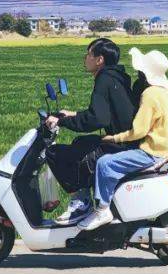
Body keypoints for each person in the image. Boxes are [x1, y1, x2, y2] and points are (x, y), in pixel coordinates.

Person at [79, 47, 168, 231]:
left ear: (145, 73)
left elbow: (139, 131)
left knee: (104, 164)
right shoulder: (167, 91)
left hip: (151, 152)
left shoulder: (150, 94)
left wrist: (114, 138)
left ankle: (102, 210)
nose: (137, 73)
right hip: (167, 149)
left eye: (140, 71)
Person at [45, 38, 137, 224]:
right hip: (126, 140)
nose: (85, 59)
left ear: (99, 60)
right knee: (80, 143)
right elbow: (105, 113)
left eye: (88, 54)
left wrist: (63, 122)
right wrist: (72, 114)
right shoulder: (118, 77)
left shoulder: (104, 79)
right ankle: (84, 198)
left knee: (55, 153)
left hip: (122, 145)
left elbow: (98, 119)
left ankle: (81, 203)